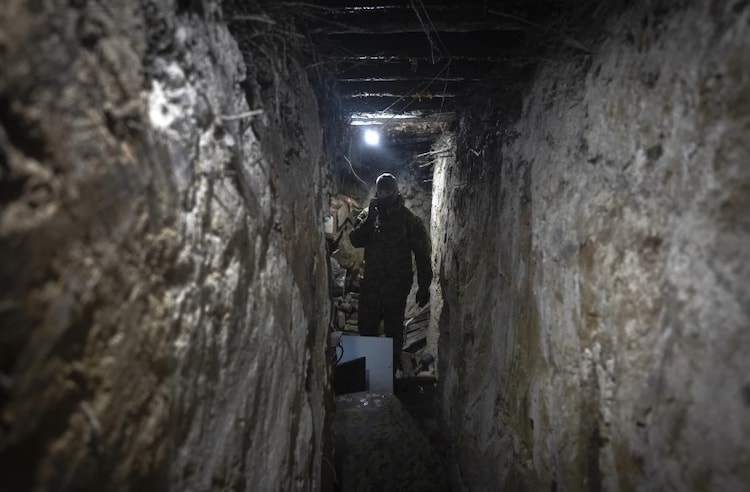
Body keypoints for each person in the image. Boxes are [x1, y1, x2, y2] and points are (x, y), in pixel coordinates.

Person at [349, 173, 432, 376]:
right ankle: (366, 379)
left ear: (396, 192)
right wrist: (369, 219)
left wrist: (424, 287)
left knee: (393, 334)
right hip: (371, 285)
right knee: (366, 329)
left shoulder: (409, 221)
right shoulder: (369, 215)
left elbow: (422, 255)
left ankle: (387, 379)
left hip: (396, 287)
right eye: (380, 191)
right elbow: (356, 240)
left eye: (387, 191)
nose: (383, 195)